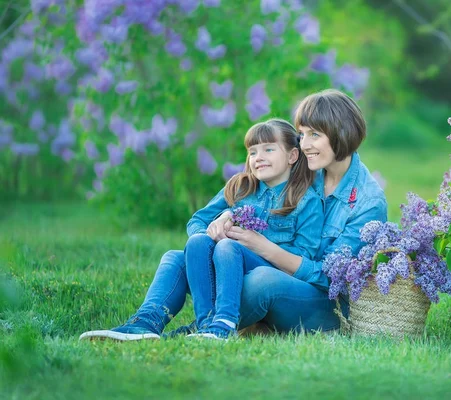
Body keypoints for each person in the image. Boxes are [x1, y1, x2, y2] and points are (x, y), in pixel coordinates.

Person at [79, 118, 324, 341]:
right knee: (182, 252)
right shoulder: (241, 187)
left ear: (293, 156)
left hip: (266, 275)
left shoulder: (305, 200)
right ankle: (147, 323)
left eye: (269, 149)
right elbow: (196, 221)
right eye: (252, 152)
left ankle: (222, 324)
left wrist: (255, 244)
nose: (258, 157)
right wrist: (217, 225)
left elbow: (302, 258)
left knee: (228, 245)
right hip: (224, 266)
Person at [213, 88, 388, 333]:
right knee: (184, 258)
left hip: (325, 302)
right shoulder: (302, 167)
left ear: (342, 132)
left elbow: (331, 278)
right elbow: (248, 195)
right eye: (302, 134)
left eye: (314, 134)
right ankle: (216, 323)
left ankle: (208, 328)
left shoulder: (368, 202)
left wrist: (265, 248)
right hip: (277, 274)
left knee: (261, 281)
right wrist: (228, 214)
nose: (304, 145)